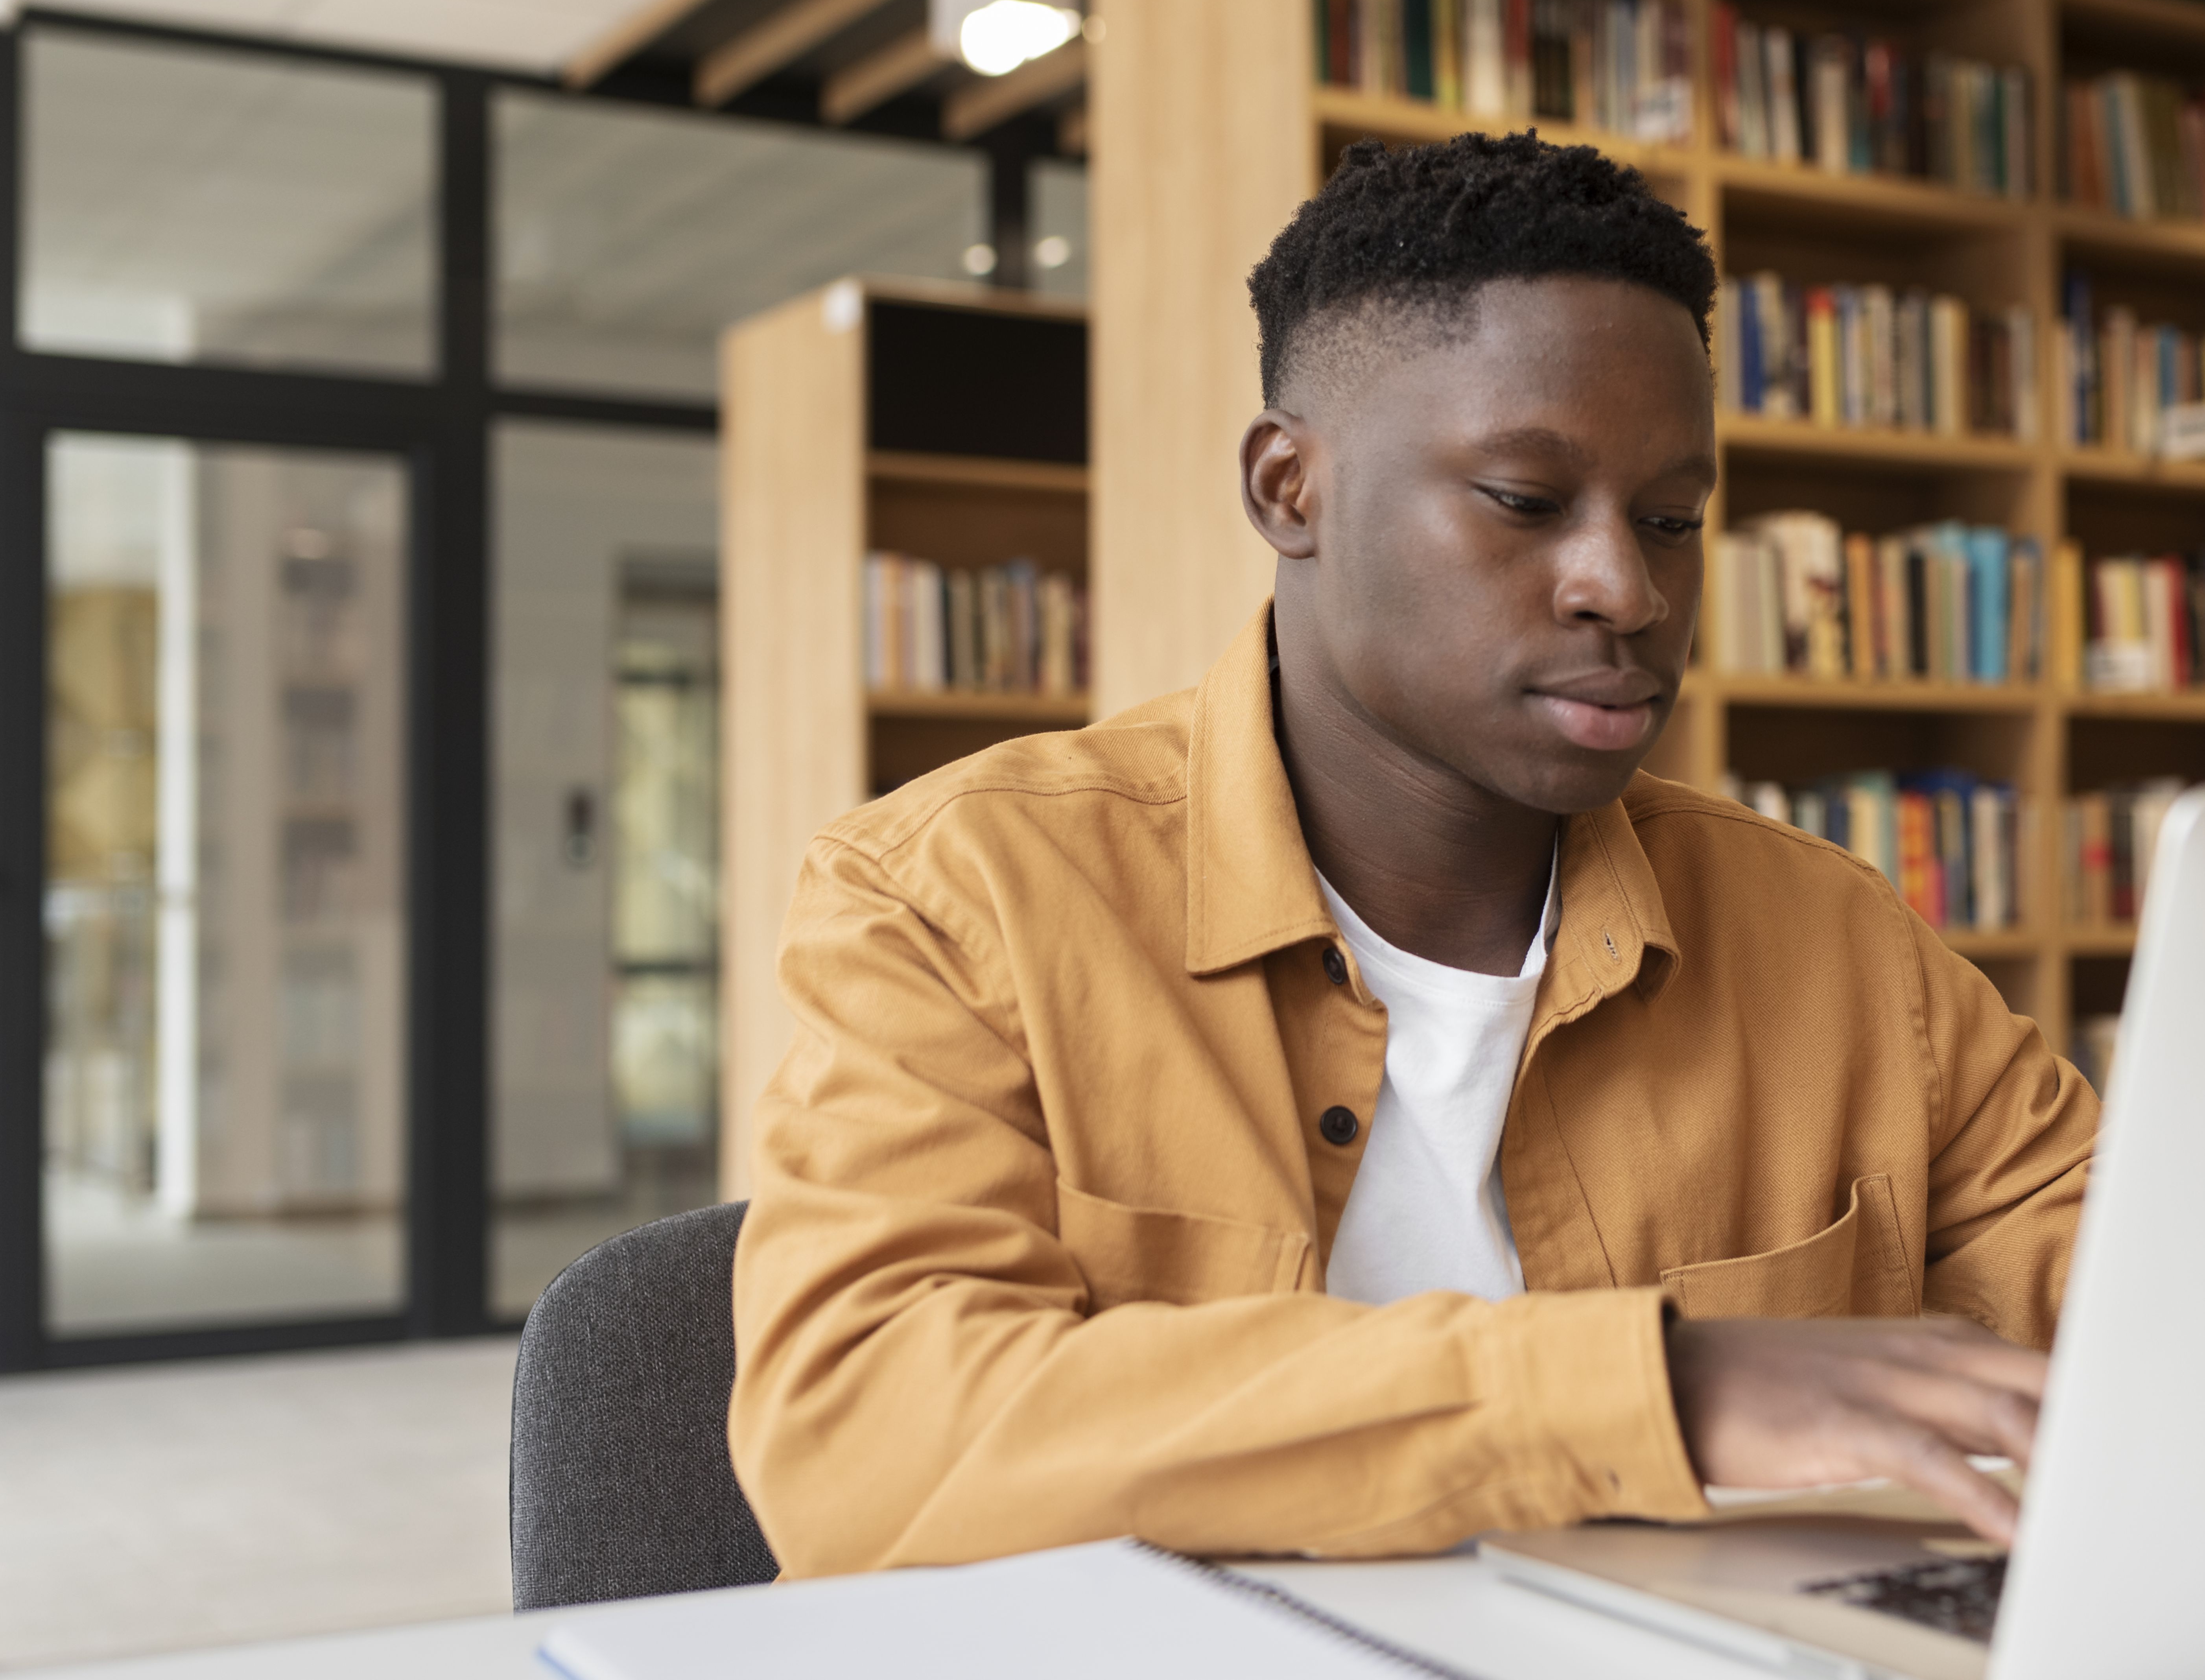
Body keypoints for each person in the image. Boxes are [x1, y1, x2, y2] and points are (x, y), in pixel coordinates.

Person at [728, 132, 2100, 1578]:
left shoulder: (1834, 940)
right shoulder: (960, 899)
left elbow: (2151, 1307)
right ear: (1288, 489)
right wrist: (1654, 1389)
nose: (1623, 588)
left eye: (1673, 520)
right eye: (1523, 501)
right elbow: (860, 1446)